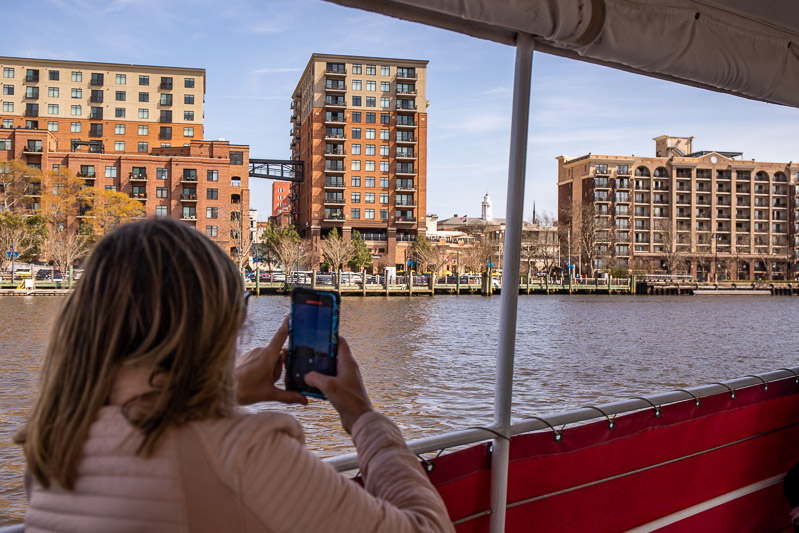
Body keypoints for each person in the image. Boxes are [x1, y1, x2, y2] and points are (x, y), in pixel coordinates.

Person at [17, 218, 454, 532]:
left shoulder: (53, 446)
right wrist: (361, 415)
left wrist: (224, 394)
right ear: (214, 324)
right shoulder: (245, 453)